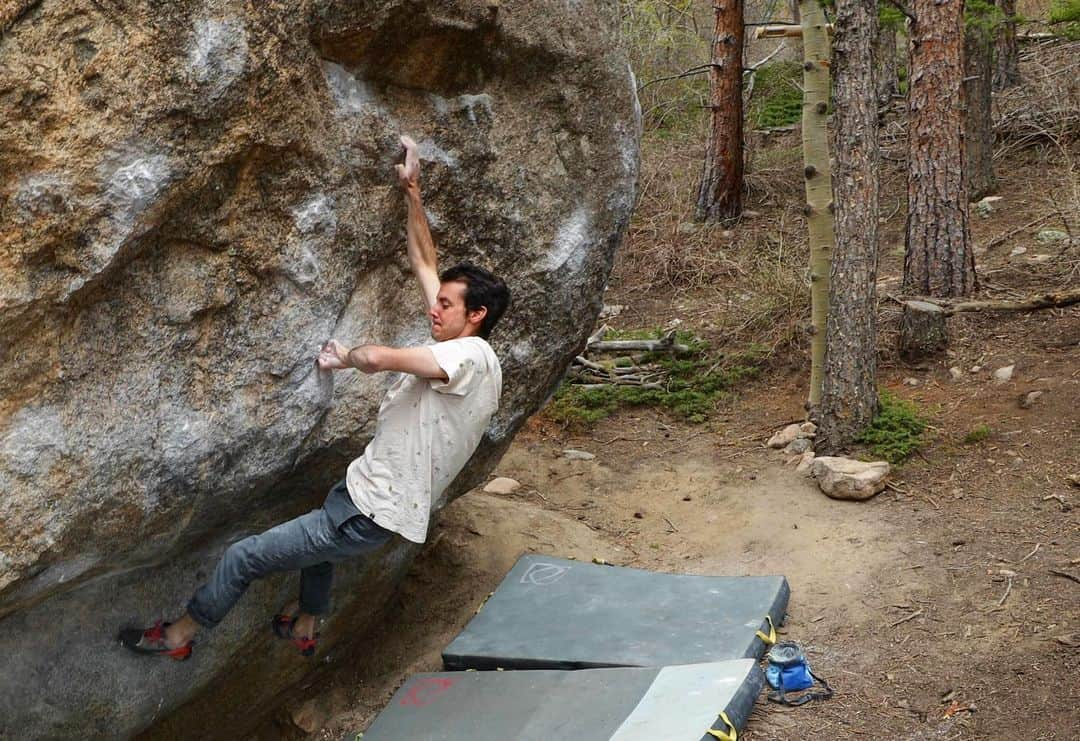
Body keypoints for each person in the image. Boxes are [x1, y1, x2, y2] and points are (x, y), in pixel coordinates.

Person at [120, 135, 509, 659]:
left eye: (445, 304)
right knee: (318, 547)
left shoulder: (468, 358)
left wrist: (345, 354)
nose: (432, 308)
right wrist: (412, 191)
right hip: (364, 499)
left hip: (366, 512)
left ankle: (180, 634)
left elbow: (376, 359)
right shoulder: (467, 346)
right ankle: (305, 623)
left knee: (244, 556)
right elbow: (424, 261)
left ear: (476, 315)